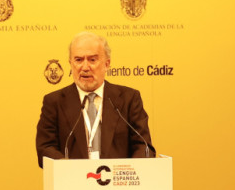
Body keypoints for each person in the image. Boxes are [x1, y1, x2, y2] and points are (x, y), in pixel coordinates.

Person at [35, 32, 155, 166]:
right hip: (73, 183)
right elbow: (45, 149)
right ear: (71, 63)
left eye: (92, 60)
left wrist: (127, 173)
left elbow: (144, 147)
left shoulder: (129, 99)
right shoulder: (54, 102)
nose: (85, 67)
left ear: (107, 64)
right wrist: (69, 170)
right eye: (78, 60)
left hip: (119, 183)